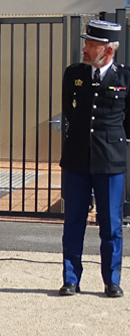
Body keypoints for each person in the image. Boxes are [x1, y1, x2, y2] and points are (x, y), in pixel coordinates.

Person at [59, 20, 128, 298]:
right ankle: (71, 279)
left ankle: (112, 280)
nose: (84, 49)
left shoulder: (125, 78)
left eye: (91, 45)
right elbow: (69, 112)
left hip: (110, 161)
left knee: (110, 224)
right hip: (76, 158)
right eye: (86, 43)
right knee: (73, 221)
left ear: (107, 51)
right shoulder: (74, 74)